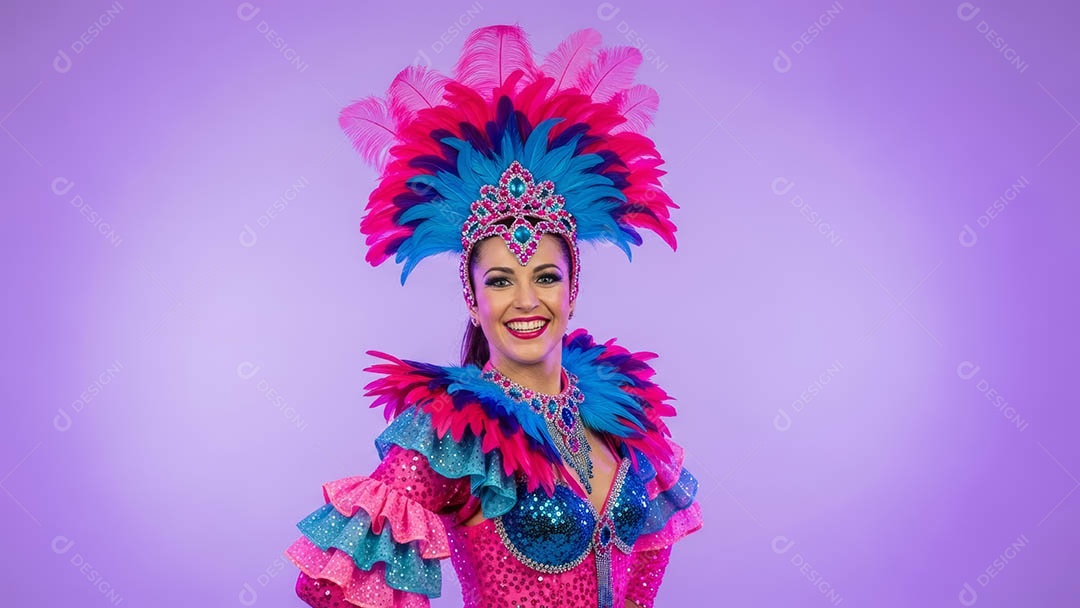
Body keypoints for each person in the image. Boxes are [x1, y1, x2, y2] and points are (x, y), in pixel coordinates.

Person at [284, 24, 703, 608]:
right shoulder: (453, 432)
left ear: (572, 290)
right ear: (473, 299)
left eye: (545, 277)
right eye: (501, 281)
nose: (526, 301)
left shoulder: (624, 414)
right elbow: (336, 583)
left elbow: (650, 552)